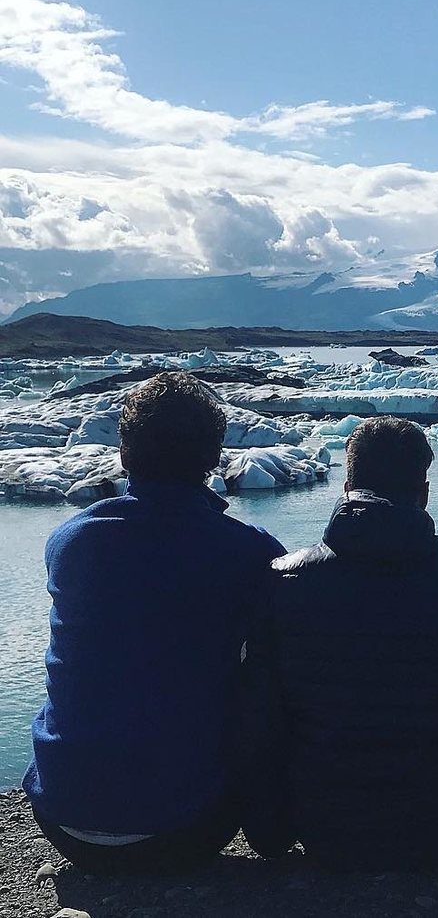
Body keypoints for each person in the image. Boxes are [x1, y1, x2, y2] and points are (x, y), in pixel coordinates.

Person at [24, 372, 286, 875]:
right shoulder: (250, 552)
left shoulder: (71, 540)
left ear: (124, 454)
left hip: (61, 820)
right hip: (187, 830)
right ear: (214, 457)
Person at [243, 416, 438, 870]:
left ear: (346, 486)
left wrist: (269, 830)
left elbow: (259, 718)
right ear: (424, 492)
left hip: (319, 823)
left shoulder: (286, 580)